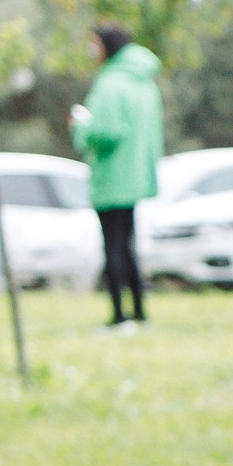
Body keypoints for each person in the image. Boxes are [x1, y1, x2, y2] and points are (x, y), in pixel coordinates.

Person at [69, 22, 161, 332]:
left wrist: (80, 127)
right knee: (128, 245)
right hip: (135, 176)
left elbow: (105, 131)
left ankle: (119, 317)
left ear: (108, 45)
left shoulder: (110, 83)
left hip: (112, 178)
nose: (91, 50)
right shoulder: (144, 82)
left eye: (94, 43)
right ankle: (138, 313)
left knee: (113, 247)